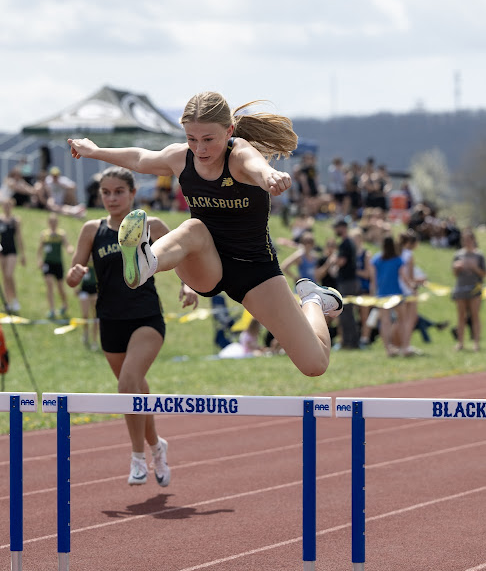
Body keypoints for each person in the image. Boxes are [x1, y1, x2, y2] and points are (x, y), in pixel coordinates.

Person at [68, 91, 343, 378]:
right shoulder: (180, 158)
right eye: (192, 139)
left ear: (229, 131)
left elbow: (256, 165)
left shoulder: (239, 154)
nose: (200, 148)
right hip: (206, 261)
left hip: (254, 270)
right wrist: (94, 150)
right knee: (194, 228)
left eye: (208, 139)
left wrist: (269, 176)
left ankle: (312, 299)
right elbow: (140, 158)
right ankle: (145, 262)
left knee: (315, 364)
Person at [66, 166, 198, 487]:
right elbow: (77, 268)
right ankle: (157, 446)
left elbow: (182, 256)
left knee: (128, 383)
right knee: (135, 392)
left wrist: (188, 285)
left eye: (118, 192)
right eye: (106, 193)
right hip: (109, 321)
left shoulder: (150, 225)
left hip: (146, 318)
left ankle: (137, 458)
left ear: (133, 193)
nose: (112, 198)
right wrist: (74, 274)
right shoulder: (91, 230)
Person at [369, 234, 406, 358]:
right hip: (396, 293)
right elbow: (403, 277)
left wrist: (373, 293)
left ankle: (388, 348)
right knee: (401, 321)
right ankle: (403, 346)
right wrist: (412, 287)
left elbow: (373, 279)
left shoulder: (377, 259)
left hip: (382, 294)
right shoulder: (398, 259)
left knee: (385, 322)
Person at [451, 227, 485, 352]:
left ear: (473, 240)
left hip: (475, 289)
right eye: (464, 239)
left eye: (469, 239)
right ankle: (460, 343)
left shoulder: (479, 255)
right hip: (460, 289)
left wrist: (475, 268)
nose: (467, 242)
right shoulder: (458, 254)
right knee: (461, 316)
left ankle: (476, 342)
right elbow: (454, 274)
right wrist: (457, 268)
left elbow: (483, 273)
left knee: (475, 315)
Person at [38, 213, 74, 319]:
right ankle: (52, 309)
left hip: (58, 263)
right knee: (49, 285)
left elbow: (67, 245)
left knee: (60, 287)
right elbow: (39, 249)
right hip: (48, 263)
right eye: (51, 222)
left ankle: (64, 304)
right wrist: (39, 260)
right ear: (49, 223)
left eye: (55, 222)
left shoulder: (61, 234)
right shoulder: (44, 235)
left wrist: (70, 249)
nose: (53, 224)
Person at [0, 198, 26, 313]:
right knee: (4, 277)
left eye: (8, 205)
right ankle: (7, 302)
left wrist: (23, 254)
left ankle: (14, 299)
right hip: (2, 250)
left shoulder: (15, 220)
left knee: (9, 274)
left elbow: (19, 237)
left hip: (12, 250)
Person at [334, 218, 359, 349]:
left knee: (345, 313)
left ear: (342, 227)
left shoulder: (345, 244)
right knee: (349, 313)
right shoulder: (350, 242)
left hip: (347, 282)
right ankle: (352, 341)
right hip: (351, 281)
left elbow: (341, 261)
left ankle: (349, 342)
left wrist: (333, 260)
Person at [77, 263, 99, 349]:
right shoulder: (84, 256)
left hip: (95, 288)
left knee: (95, 316)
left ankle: (94, 340)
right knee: (85, 315)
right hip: (84, 288)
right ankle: (86, 333)